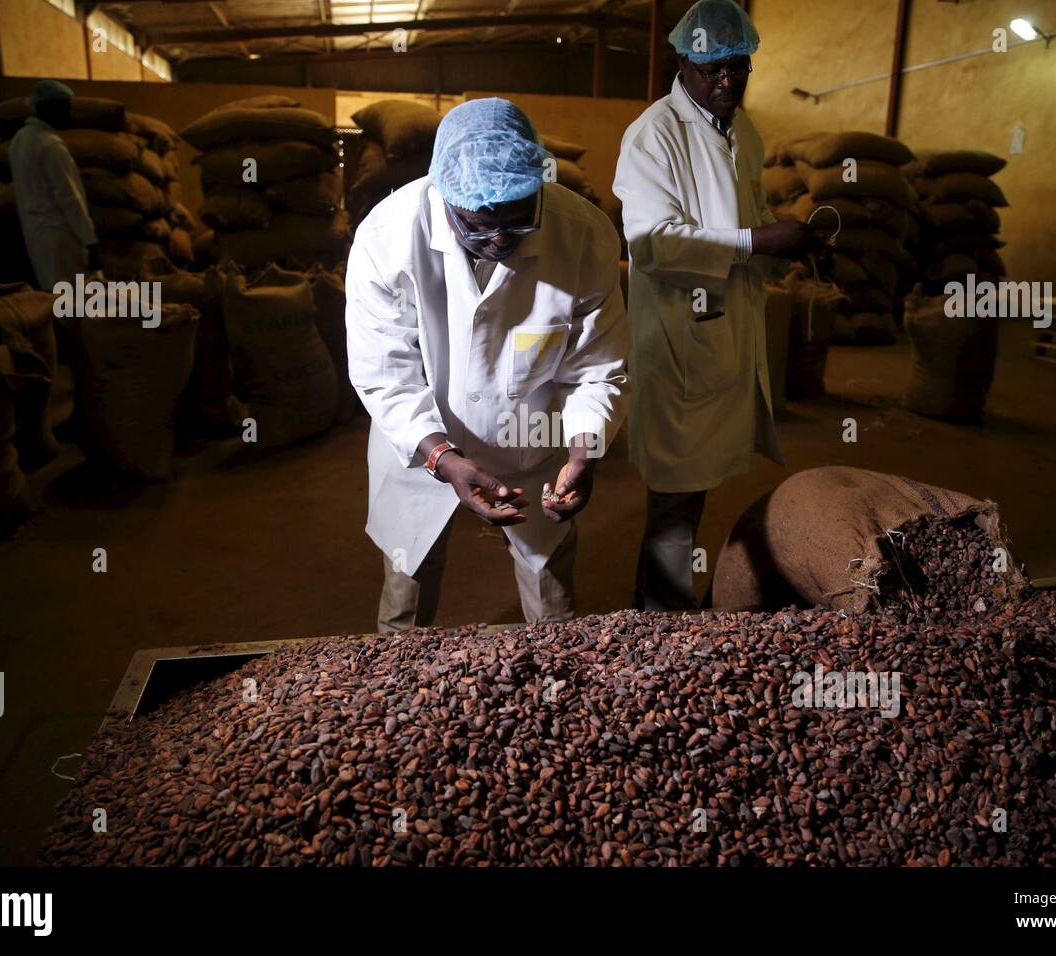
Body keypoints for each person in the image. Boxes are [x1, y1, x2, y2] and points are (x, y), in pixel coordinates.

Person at [345, 98, 630, 634]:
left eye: (518, 222)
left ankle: (555, 694)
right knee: (405, 612)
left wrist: (583, 451)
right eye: (477, 225)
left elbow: (597, 368)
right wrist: (443, 459)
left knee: (554, 613)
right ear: (444, 198)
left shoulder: (584, 235)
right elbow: (386, 373)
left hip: (535, 449)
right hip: (421, 454)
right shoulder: (386, 238)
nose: (498, 240)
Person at [614, 0, 821, 612]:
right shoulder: (654, 135)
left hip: (724, 331)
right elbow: (653, 244)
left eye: (739, 68)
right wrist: (756, 242)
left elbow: (745, 215)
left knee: (695, 489)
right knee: (675, 496)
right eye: (713, 71)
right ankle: (660, 624)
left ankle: (661, 610)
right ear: (683, 63)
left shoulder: (743, 130)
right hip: (682, 342)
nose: (728, 81)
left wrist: (785, 238)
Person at [8, 80, 102, 290]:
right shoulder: (50, 145)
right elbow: (69, 198)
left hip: (37, 236)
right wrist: (91, 242)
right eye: (65, 108)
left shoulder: (19, 141)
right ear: (50, 108)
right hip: (63, 237)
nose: (68, 114)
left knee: (57, 299)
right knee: (83, 303)